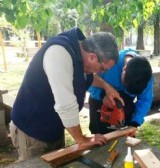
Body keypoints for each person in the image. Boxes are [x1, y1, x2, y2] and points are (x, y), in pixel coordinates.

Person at [10, 27, 123, 161]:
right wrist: (82, 140)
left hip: (52, 127)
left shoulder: (80, 54)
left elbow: (89, 78)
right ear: (92, 57)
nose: (100, 72)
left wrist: (107, 87)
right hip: (32, 131)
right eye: (102, 69)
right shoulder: (59, 53)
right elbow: (66, 105)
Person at [88, 49, 153, 135]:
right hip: (99, 103)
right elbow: (89, 81)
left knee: (123, 141)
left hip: (125, 109)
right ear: (124, 69)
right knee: (100, 140)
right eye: (125, 85)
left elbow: (145, 100)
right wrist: (102, 95)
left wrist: (135, 123)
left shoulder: (146, 75)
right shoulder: (109, 63)